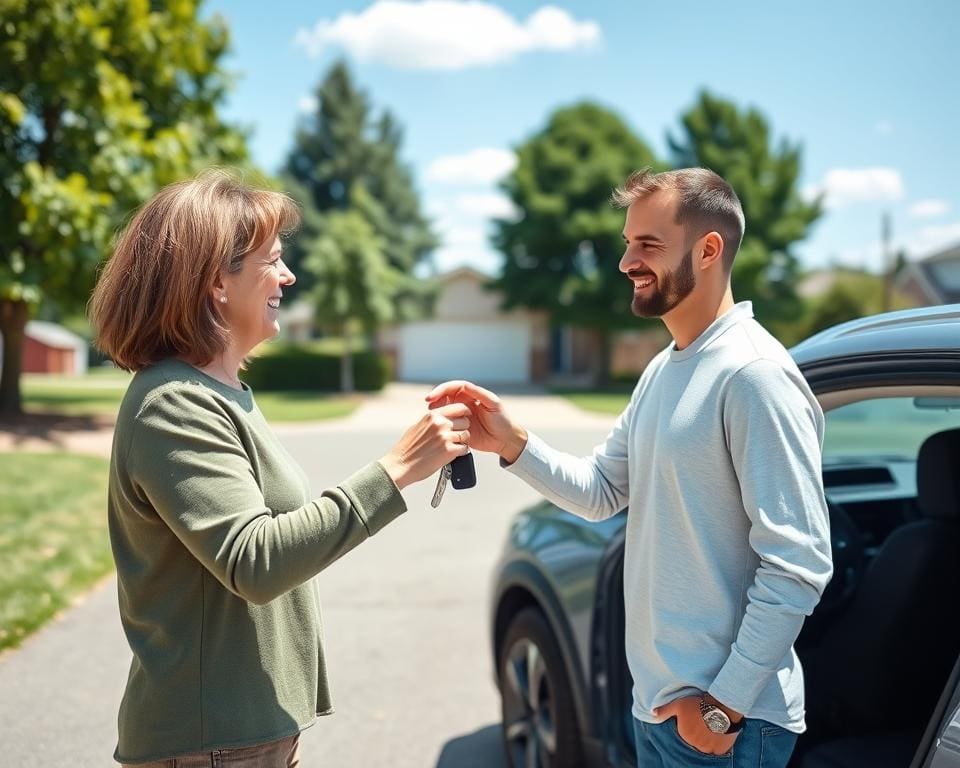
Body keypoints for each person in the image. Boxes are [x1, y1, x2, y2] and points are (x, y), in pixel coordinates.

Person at [428, 168, 833, 767]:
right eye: (627, 242)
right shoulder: (665, 369)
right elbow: (602, 490)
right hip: (665, 712)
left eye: (647, 245)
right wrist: (511, 442)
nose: (625, 262)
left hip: (727, 727)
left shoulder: (754, 375)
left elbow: (798, 563)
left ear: (709, 248)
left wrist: (723, 708)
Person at [90, 169, 473, 767]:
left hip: (245, 738)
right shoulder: (174, 403)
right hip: (210, 743)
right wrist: (395, 469)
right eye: (272, 260)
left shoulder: (222, 391)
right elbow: (256, 560)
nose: (288, 276)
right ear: (218, 280)